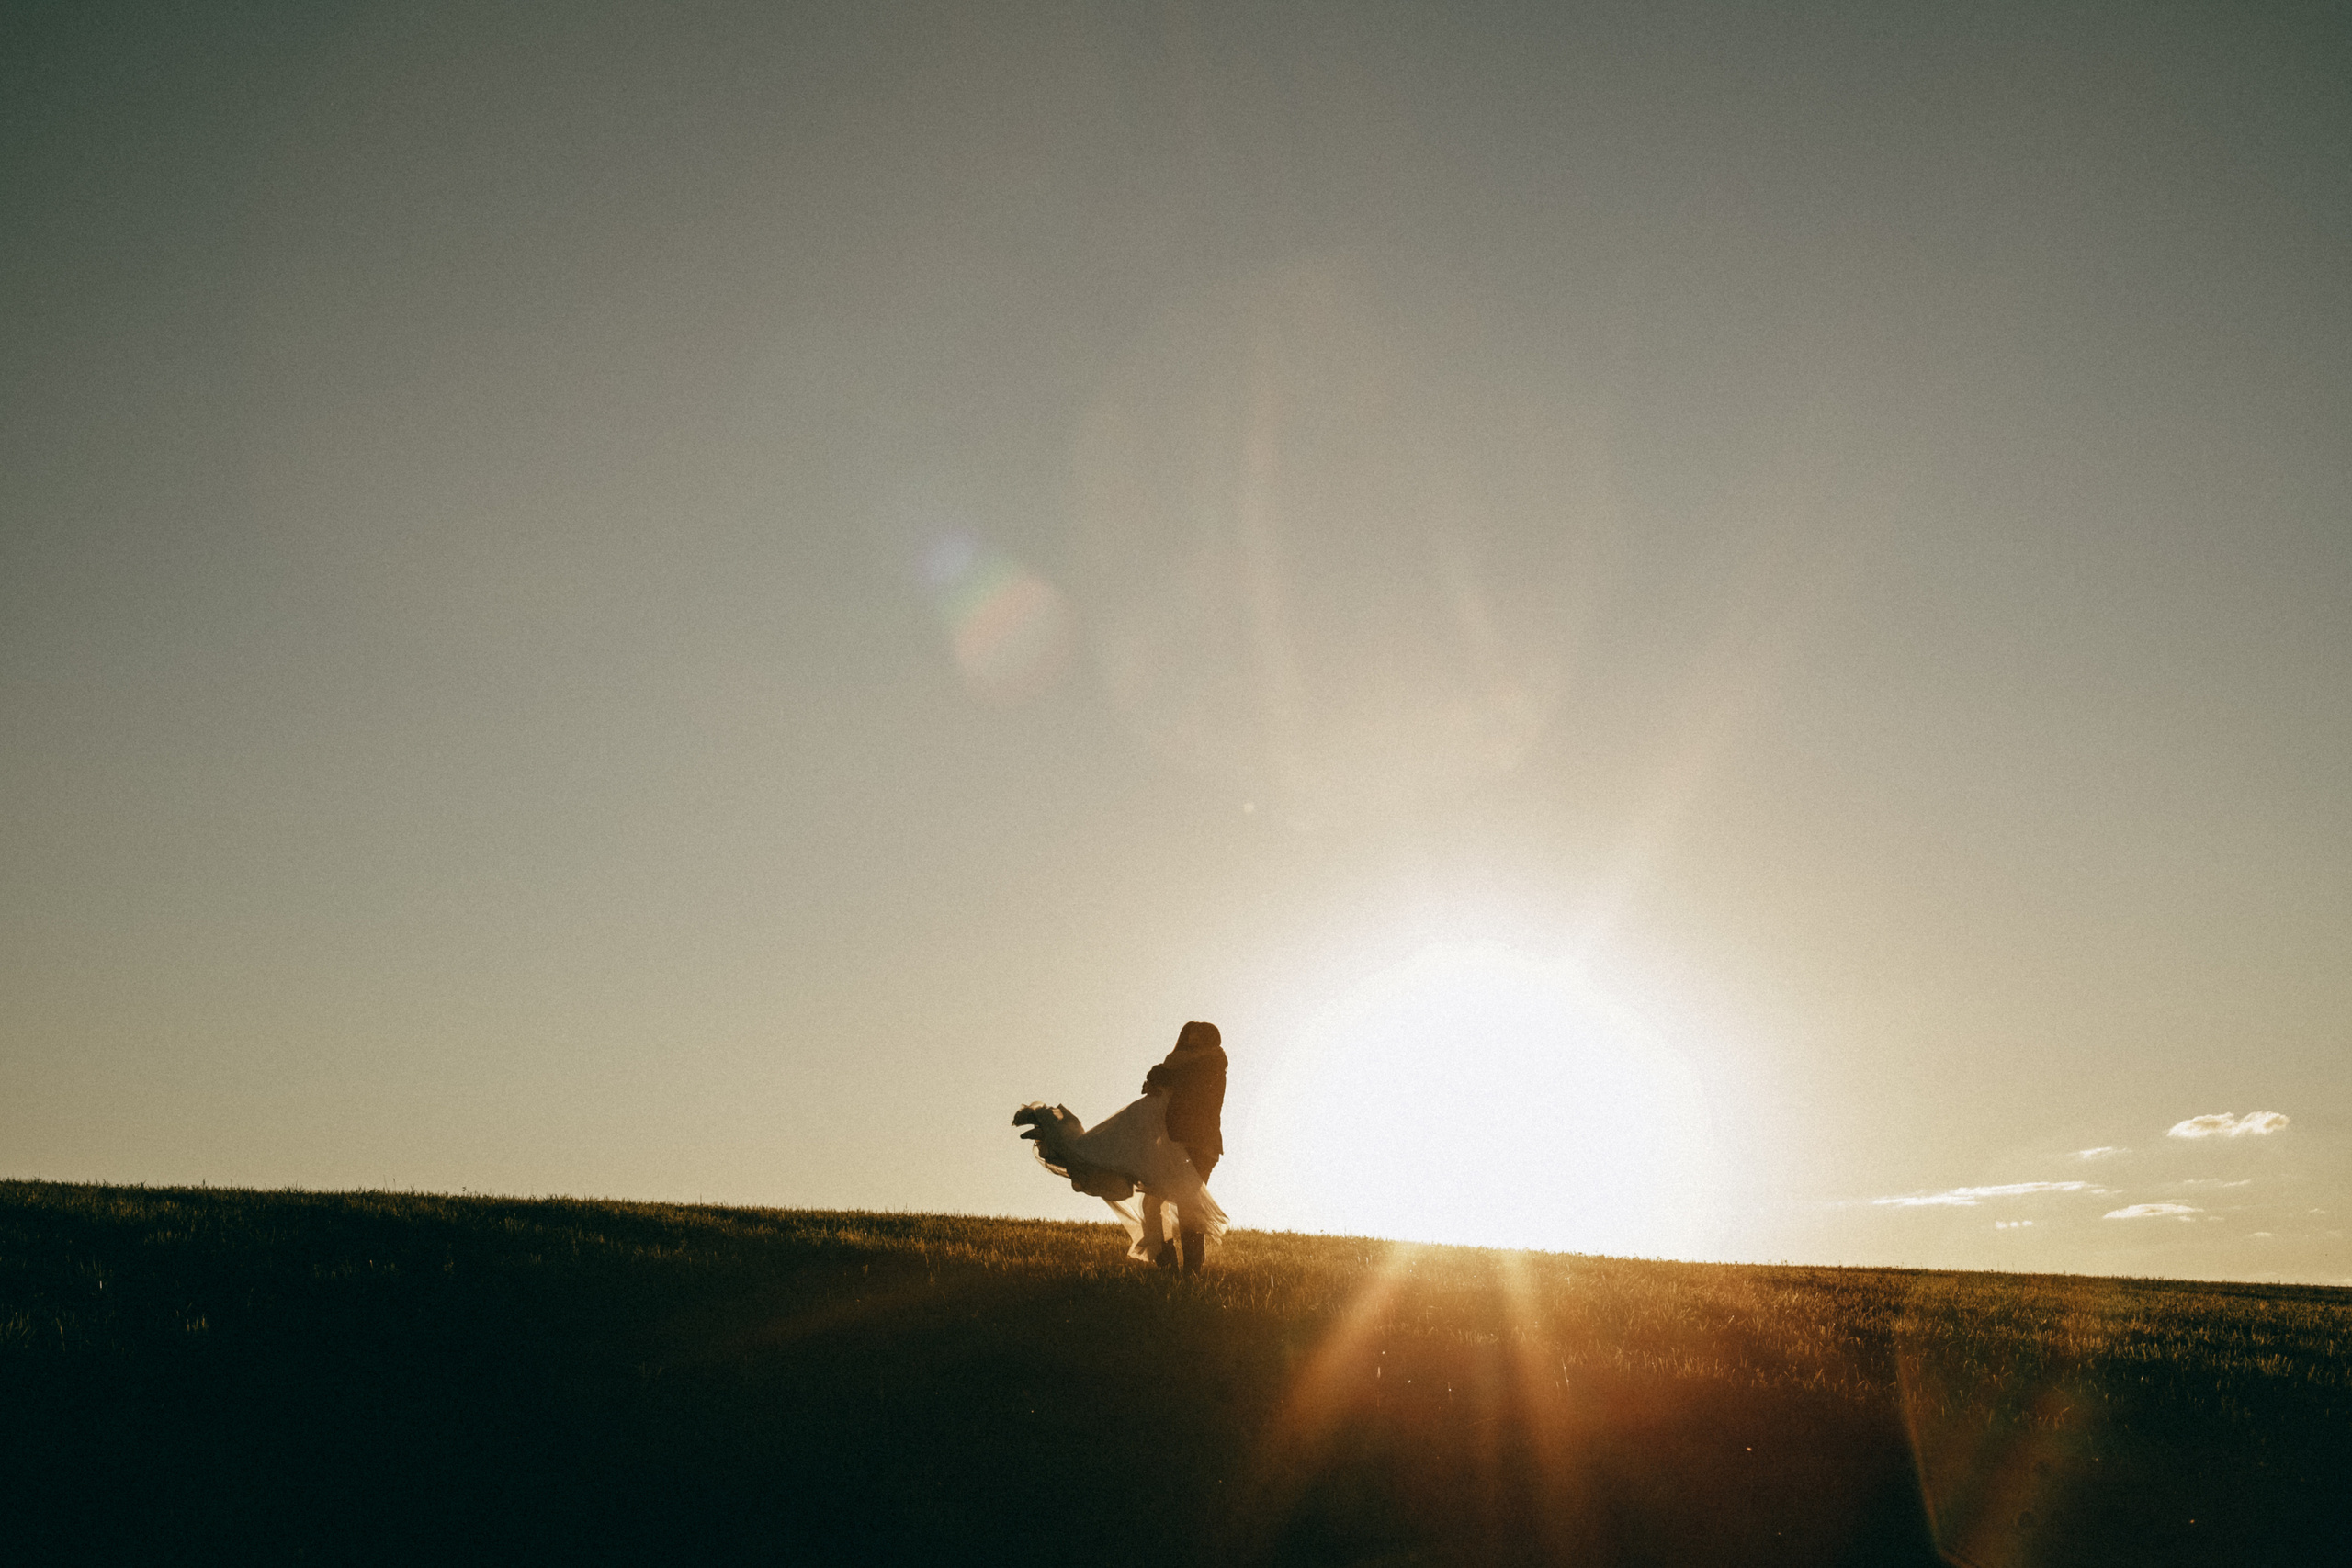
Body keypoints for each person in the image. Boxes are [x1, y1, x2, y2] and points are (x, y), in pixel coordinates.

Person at [1141, 1020, 1226, 1273]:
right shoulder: (1185, 1064)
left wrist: (1158, 1075)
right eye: (1191, 1033)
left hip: (1199, 1145)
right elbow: (1166, 1080)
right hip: (1176, 1143)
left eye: (1200, 1034)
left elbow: (1176, 1078)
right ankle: (1168, 1265)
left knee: (1188, 1207)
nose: (1194, 1037)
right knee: (1153, 1202)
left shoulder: (1211, 1065)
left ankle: (1191, 1271)